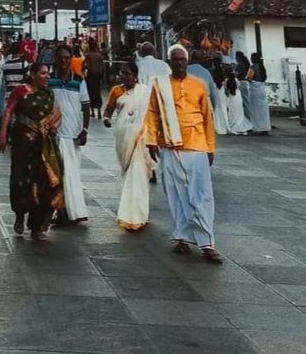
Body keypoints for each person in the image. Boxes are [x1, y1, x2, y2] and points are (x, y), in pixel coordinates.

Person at [146, 45, 222, 263]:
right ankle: (183, 237)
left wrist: (210, 147)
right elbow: (152, 113)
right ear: (169, 61)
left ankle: (207, 242)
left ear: (187, 62)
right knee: (177, 195)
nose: (180, 63)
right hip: (169, 146)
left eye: (183, 60)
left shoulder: (198, 85)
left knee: (202, 195)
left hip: (196, 145)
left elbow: (208, 118)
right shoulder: (160, 85)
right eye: (176, 59)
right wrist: (151, 140)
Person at [0, 62, 64, 239]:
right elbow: (9, 111)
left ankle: (36, 226)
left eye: (48, 73)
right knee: (21, 180)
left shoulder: (48, 94)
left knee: (44, 183)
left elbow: (57, 114)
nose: (47, 77)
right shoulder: (21, 91)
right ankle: (20, 214)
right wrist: (2, 135)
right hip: (23, 144)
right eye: (43, 73)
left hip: (44, 146)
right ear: (32, 75)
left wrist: (54, 126)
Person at [103, 62, 151, 231]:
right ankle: (131, 213)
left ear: (135, 76)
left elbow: (150, 114)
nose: (124, 76)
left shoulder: (144, 92)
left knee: (138, 175)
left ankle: (138, 215)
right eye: (122, 73)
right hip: (123, 138)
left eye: (127, 73)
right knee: (128, 174)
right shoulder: (116, 91)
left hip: (139, 139)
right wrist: (106, 119)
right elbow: (108, 110)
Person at [49, 44, 90, 226]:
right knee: (57, 175)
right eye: (61, 57)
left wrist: (85, 130)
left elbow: (86, 106)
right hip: (54, 134)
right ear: (55, 59)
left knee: (71, 174)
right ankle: (61, 210)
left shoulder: (79, 81)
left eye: (67, 58)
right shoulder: (49, 80)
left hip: (73, 135)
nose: (64, 61)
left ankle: (74, 211)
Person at [0, 41, 27, 134]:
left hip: (9, 94)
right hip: (22, 95)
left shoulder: (6, 65)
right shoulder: (24, 64)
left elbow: (4, 81)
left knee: (10, 115)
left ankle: (7, 134)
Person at [248, 53, 271, 135]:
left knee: (255, 110)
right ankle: (265, 127)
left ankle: (257, 128)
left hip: (255, 89)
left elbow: (249, 78)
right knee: (263, 110)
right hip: (261, 88)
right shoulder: (262, 67)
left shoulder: (253, 67)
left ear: (253, 59)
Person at [84, 38, 105, 119]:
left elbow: (87, 66)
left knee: (90, 93)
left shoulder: (88, 56)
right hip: (97, 76)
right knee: (97, 93)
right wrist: (102, 77)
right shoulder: (100, 56)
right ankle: (99, 112)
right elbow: (102, 67)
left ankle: (92, 112)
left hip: (90, 76)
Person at [234, 50, 252, 119]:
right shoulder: (245, 64)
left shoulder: (240, 64)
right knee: (246, 101)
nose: (235, 58)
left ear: (238, 57)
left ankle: (248, 117)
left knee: (245, 102)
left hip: (242, 83)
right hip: (245, 83)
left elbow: (236, 74)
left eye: (236, 57)